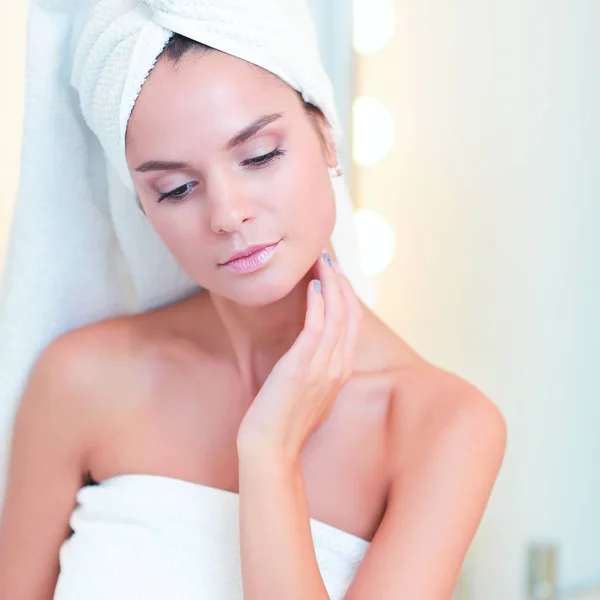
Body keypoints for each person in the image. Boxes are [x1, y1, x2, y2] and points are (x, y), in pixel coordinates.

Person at [0, 3, 506, 600]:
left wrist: (269, 455)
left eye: (259, 155)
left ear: (324, 133)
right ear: (142, 207)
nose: (227, 214)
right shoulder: (81, 380)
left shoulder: (441, 426)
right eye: (177, 188)